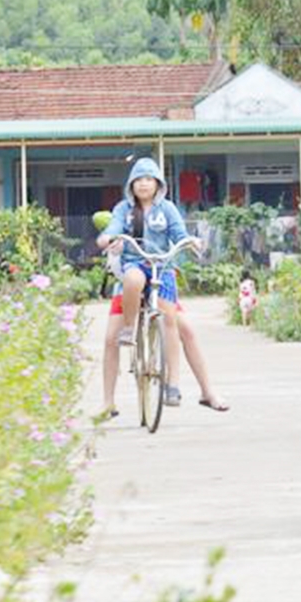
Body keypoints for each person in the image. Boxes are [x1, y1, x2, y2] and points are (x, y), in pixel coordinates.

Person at [95, 157, 198, 408]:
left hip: (162, 269)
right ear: (131, 184)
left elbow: (179, 234)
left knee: (173, 323)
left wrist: (191, 242)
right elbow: (113, 229)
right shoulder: (123, 209)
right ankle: (129, 330)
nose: (143, 184)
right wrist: (108, 239)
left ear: (158, 184)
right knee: (129, 286)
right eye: (138, 180)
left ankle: (174, 385)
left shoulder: (168, 209)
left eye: (148, 179)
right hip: (134, 266)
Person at [99, 293, 229, 418]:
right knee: (111, 339)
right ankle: (108, 402)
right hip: (128, 290)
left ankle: (207, 392)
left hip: (159, 289)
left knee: (187, 332)